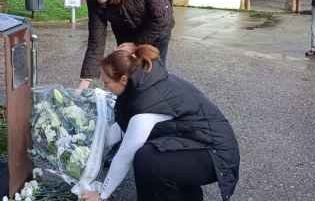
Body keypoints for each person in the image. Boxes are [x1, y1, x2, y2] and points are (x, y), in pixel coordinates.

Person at [81, 44, 240, 201]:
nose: (105, 88)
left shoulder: (146, 103)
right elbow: (122, 127)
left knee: (147, 160)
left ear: (123, 79)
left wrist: (101, 194)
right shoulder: (141, 80)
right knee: (150, 153)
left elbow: (125, 154)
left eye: (107, 83)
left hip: (216, 154)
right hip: (197, 140)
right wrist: (91, 145)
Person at [78, 0, 174, 89]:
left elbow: (162, 17)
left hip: (157, 27)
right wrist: (84, 83)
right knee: (128, 74)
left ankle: (157, 102)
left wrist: (135, 45)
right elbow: (96, 41)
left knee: (153, 73)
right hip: (126, 33)